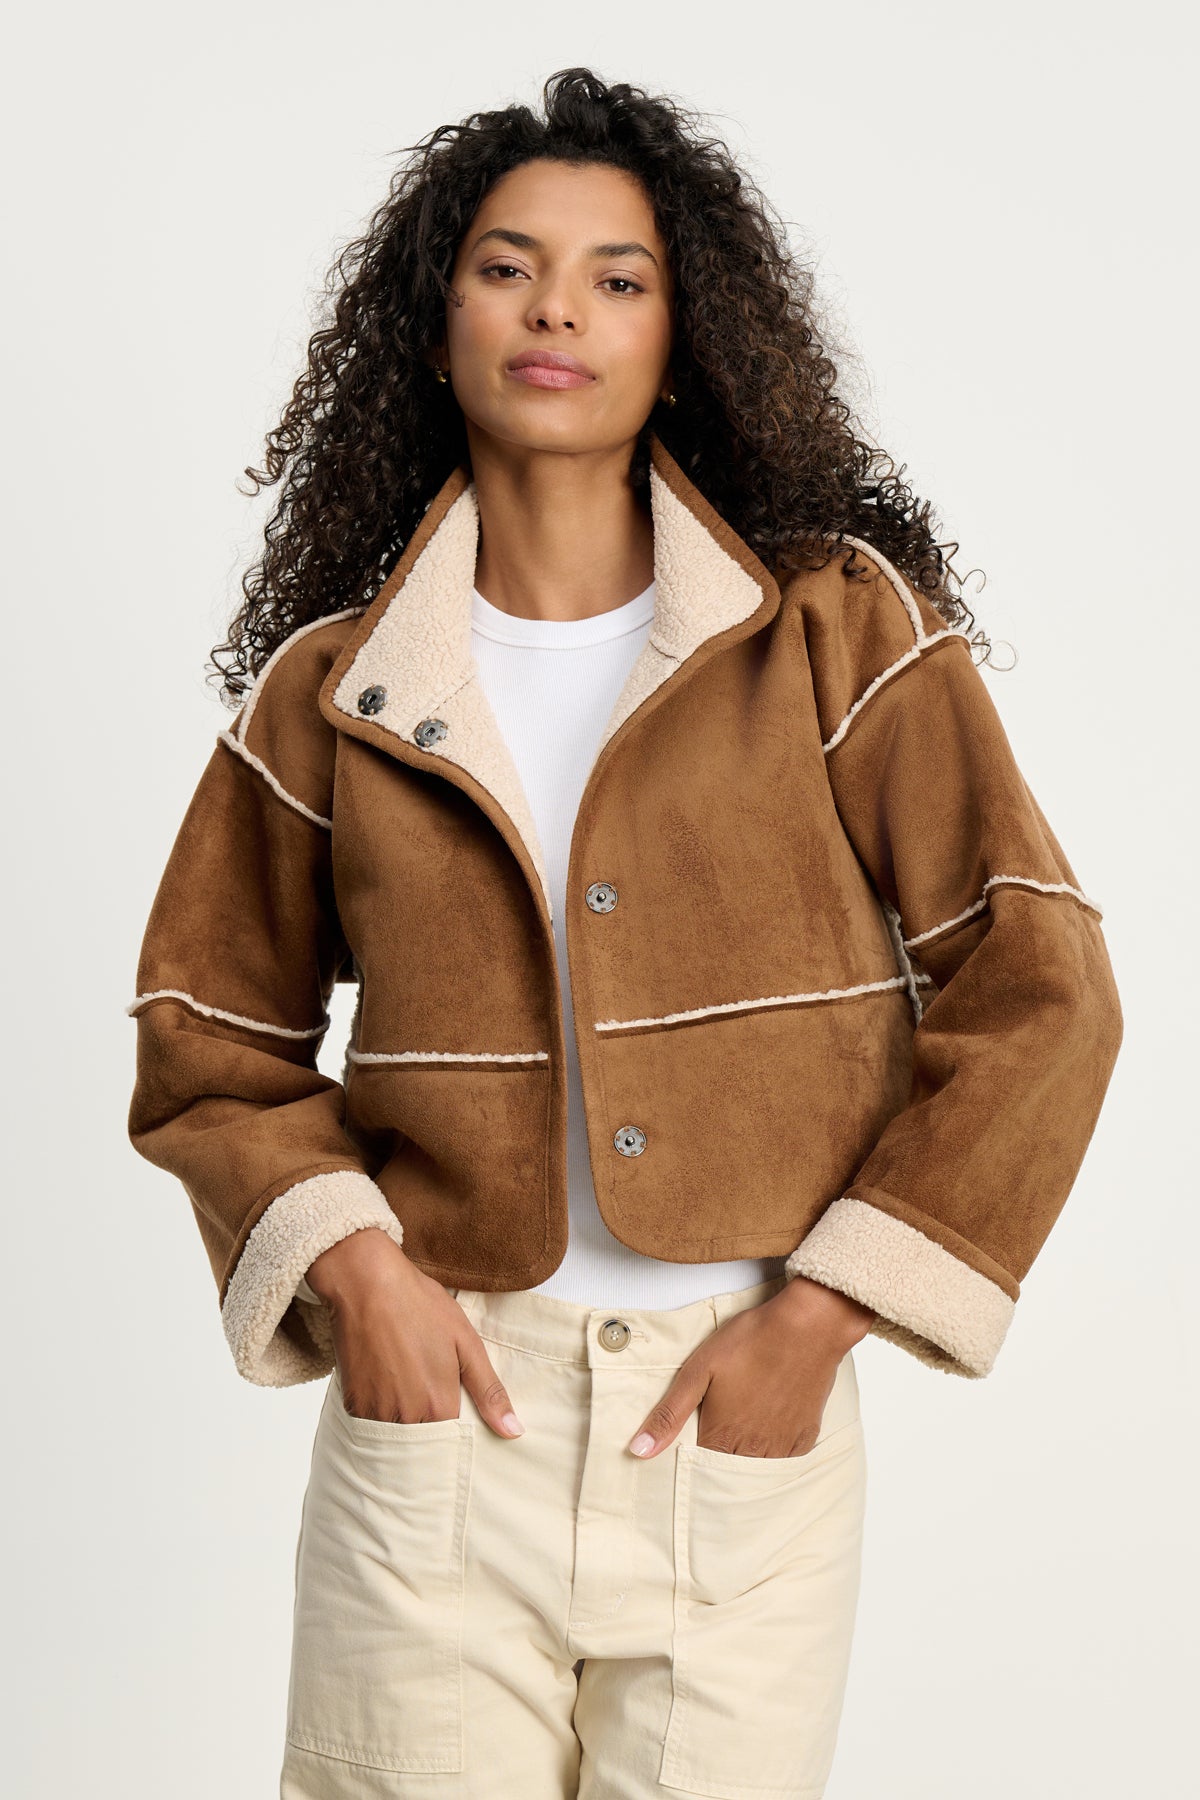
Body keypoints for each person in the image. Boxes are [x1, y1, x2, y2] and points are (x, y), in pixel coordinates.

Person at [124, 66, 1123, 1800]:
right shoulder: (337, 688)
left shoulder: (832, 631)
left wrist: (821, 1320)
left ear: (685, 334)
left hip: (733, 1420)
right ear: (433, 322)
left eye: (618, 276)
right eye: (506, 268)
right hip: (441, 1430)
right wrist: (361, 1278)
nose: (557, 310)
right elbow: (205, 1035)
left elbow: (1042, 982)